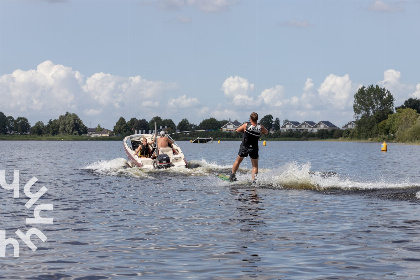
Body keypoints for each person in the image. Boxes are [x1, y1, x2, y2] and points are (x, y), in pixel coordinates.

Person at [230, 112, 268, 182]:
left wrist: (243, 131)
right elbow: (266, 132)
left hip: (245, 146)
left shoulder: (246, 125)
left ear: (250, 118)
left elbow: (238, 130)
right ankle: (254, 180)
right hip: (254, 148)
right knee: (255, 166)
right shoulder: (261, 127)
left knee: (238, 161)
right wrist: (260, 132)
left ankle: (232, 176)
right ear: (257, 119)